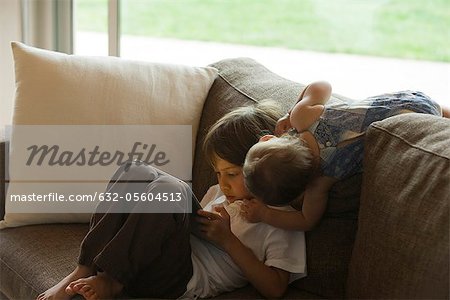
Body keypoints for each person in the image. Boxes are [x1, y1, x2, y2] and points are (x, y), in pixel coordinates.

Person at [37, 100, 307, 300]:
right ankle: (84, 268)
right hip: (158, 258)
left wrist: (228, 240)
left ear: (260, 166)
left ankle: (112, 281)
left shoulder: (281, 220)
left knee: (172, 189)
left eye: (232, 174)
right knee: (137, 170)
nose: (223, 183)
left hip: (178, 282)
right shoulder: (221, 193)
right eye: (218, 173)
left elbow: (275, 288)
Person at [240, 81, 449, 231]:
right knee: (435, 111)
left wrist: (265, 215)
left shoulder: (321, 181)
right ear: (268, 138)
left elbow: (306, 221)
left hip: (417, 132)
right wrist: (292, 111)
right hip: (411, 104)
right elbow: (323, 86)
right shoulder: (302, 118)